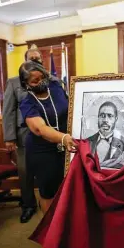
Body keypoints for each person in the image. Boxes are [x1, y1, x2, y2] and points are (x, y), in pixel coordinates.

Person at [19, 61, 77, 214]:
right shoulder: (27, 102)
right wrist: (63, 138)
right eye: (35, 81)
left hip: (66, 146)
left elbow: (72, 107)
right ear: (26, 84)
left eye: (43, 77)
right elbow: (39, 129)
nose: (41, 82)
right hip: (42, 152)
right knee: (48, 191)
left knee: (68, 187)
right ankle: (50, 230)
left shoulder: (56, 88)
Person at [2, 44, 43, 223]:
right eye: (31, 58)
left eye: (37, 59)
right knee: (25, 172)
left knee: (47, 171)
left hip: (48, 133)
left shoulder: (52, 80)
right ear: (25, 61)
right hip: (23, 134)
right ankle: (28, 205)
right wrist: (9, 137)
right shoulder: (13, 82)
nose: (35, 61)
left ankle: (50, 204)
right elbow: (8, 110)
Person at [86, 101, 124, 168]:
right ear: (98, 118)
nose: (105, 120)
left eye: (110, 116)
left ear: (115, 119)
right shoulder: (86, 142)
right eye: (102, 116)